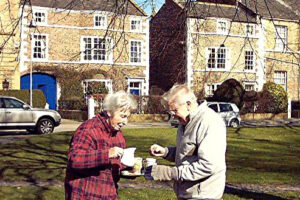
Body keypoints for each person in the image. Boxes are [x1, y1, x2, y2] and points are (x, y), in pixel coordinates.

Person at [145, 84, 227, 200]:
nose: (172, 116)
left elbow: (208, 165)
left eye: (174, 110)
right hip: (187, 193)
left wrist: (169, 173)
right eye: (170, 112)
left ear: (188, 104)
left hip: (204, 195)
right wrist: (165, 152)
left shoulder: (210, 122)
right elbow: (188, 153)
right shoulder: (185, 122)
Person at [65, 90, 137, 200]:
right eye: (122, 116)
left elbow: (113, 167)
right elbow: (75, 160)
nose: (125, 122)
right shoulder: (89, 129)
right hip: (85, 195)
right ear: (109, 112)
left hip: (109, 194)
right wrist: (107, 154)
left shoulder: (118, 135)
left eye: (127, 117)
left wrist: (129, 168)